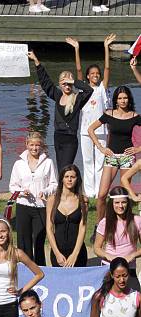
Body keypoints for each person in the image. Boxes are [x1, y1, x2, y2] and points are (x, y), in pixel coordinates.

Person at [66, 34, 115, 198]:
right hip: (86, 131)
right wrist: (77, 49)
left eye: (97, 73)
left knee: (101, 160)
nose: (96, 75)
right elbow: (78, 70)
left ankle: (100, 191)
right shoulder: (83, 89)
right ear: (88, 76)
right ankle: (89, 191)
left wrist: (106, 47)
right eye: (92, 73)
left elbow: (108, 69)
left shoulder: (102, 88)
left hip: (101, 130)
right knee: (87, 161)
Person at [28, 50, 93, 173]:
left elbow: (89, 90)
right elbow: (45, 83)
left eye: (69, 84)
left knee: (66, 168)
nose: (67, 86)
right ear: (60, 84)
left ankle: (66, 190)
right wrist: (37, 62)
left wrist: (73, 81)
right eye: (64, 83)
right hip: (58, 137)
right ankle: (62, 190)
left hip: (70, 138)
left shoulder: (78, 98)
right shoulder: (57, 95)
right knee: (60, 169)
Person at [88, 86, 141, 227]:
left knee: (124, 195)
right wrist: (101, 147)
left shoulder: (134, 116)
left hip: (127, 157)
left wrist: (137, 149)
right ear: (116, 100)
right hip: (111, 156)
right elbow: (90, 129)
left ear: (129, 99)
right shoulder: (109, 113)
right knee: (101, 194)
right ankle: (99, 227)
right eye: (120, 98)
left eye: (125, 98)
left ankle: (124, 225)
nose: (123, 101)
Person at [9, 131, 57, 265]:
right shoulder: (19, 164)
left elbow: (54, 184)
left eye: (37, 145)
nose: (34, 148)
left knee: (39, 239)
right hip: (23, 206)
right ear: (26, 145)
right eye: (32, 145)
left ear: (41, 146)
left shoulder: (48, 162)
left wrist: (45, 191)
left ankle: (41, 268)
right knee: (24, 240)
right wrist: (20, 192)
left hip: (41, 206)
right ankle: (24, 267)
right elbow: (12, 186)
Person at [94, 186, 141, 289]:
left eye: (123, 202)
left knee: (137, 298)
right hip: (109, 268)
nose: (120, 206)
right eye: (117, 203)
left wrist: (132, 255)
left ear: (128, 203)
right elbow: (96, 248)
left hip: (128, 269)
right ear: (111, 204)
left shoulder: (137, 220)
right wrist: (108, 256)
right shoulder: (105, 223)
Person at [46, 165, 88, 267]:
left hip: (78, 252)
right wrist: (56, 253)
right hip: (58, 252)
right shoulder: (52, 200)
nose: (69, 180)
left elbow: (83, 228)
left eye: (72, 177)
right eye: (66, 176)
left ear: (77, 179)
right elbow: (49, 228)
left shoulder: (83, 201)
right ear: (62, 179)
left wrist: (75, 254)